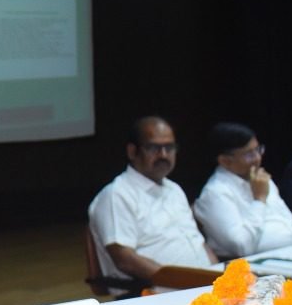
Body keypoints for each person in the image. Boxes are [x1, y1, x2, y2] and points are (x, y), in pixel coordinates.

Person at [87, 116, 214, 289]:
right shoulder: (117, 195)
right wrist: (185, 282)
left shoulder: (174, 189)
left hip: (201, 286)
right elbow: (125, 260)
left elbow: (198, 241)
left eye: (169, 147)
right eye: (154, 148)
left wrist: (217, 274)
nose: (163, 155)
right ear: (132, 152)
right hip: (158, 292)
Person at [193, 122, 292, 259]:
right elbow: (242, 246)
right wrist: (259, 200)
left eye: (258, 150)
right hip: (248, 263)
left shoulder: (260, 178)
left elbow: (289, 225)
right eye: (249, 155)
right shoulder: (215, 193)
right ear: (225, 161)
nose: (258, 158)